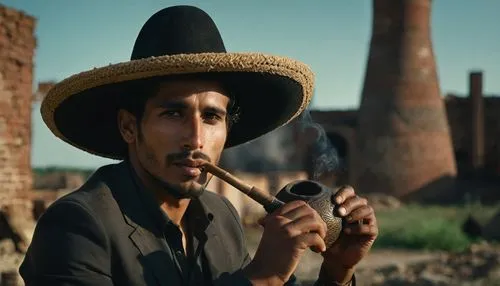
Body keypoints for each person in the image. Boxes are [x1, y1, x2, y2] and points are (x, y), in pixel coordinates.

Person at [19, 5, 378, 286]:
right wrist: (262, 276)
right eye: (174, 114)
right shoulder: (77, 225)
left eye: (211, 117)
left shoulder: (219, 216)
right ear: (129, 126)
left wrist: (337, 270)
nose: (195, 139)